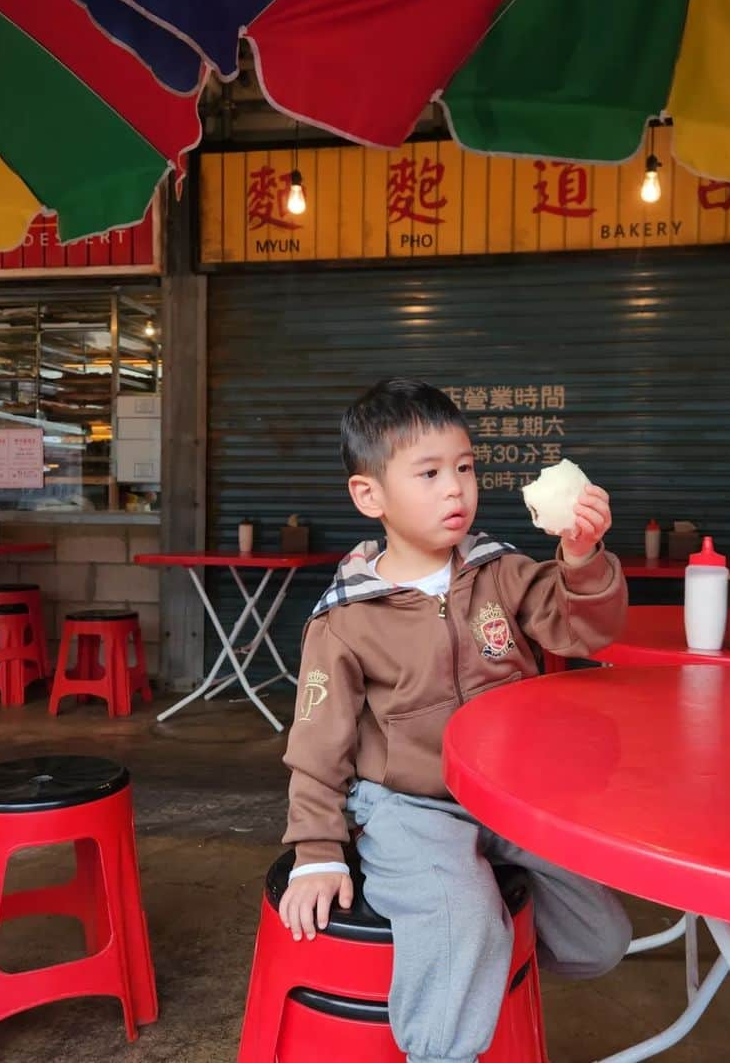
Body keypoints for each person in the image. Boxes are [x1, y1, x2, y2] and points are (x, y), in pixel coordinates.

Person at [280, 377, 632, 1063]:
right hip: (407, 807)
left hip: (508, 798)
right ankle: (442, 1048)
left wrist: (582, 558)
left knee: (601, 938)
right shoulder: (347, 618)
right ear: (369, 495)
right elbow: (318, 746)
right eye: (430, 473)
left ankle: (475, 954)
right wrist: (315, 851)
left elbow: (583, 633)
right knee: (461, 914)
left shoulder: (500, 573)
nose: (455, 490)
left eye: (465, 468)